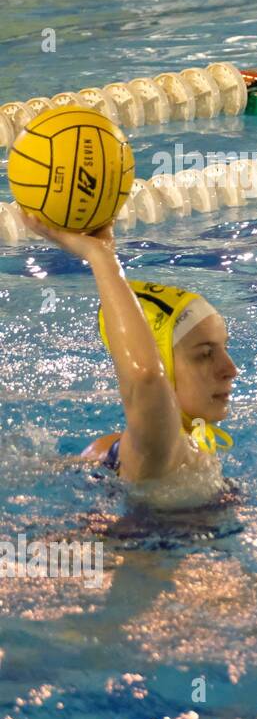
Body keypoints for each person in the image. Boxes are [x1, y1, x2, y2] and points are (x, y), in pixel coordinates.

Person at [18, 211, 236, 502]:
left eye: (224, 347)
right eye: (205, 354)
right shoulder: (163, 450)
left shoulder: (116, 447)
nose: (230, 368)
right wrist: (100, 256)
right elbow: (146, 377)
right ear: (164, 365)